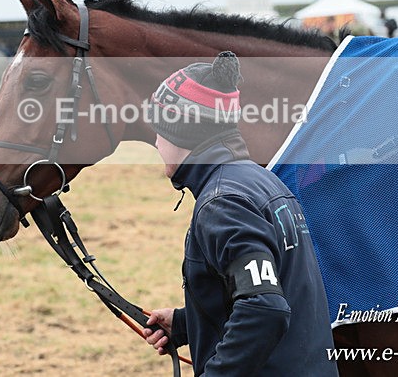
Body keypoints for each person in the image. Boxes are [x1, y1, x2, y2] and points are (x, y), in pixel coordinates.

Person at [142, 51, 338, 376]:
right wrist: (185, 323)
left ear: (183, 132)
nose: (157, 142)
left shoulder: (224, 202)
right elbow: (276, 289)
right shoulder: (259, 180)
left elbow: (265, 309)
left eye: (161, 130)